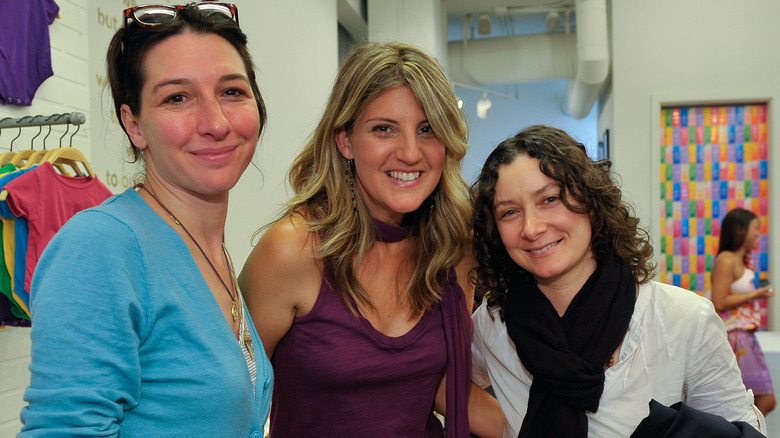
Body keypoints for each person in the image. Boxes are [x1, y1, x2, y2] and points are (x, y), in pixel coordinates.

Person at [20, 3, 272, 435]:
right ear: (133, 125)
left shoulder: (207, 249)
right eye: (177, 98)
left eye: (232, 91)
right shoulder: (103, 246)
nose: (215, 122)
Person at [239, 41, 503, 438]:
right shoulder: (293, 250)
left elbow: (437, 385)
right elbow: (228, 400)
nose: (411, 152)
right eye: (384, 129)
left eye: (427, 129)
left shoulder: (453, 248)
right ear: (345, 140)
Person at [470, 125, 764, 437]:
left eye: (550, 199)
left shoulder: (683, 319)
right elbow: (442, 383)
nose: (531, 227)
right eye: (510, 212)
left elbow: (742, 429)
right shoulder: (493, 324)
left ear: (592, 204)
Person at [711, 208, 776, 416]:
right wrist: (755, 294)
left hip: (745, 336)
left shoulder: (744, 261)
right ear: (740, 231)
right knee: (763, 399)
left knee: (753, 400)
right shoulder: (726, 260)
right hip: (736, 337)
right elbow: (719, 301)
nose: (759, 233)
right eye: (755, 228)